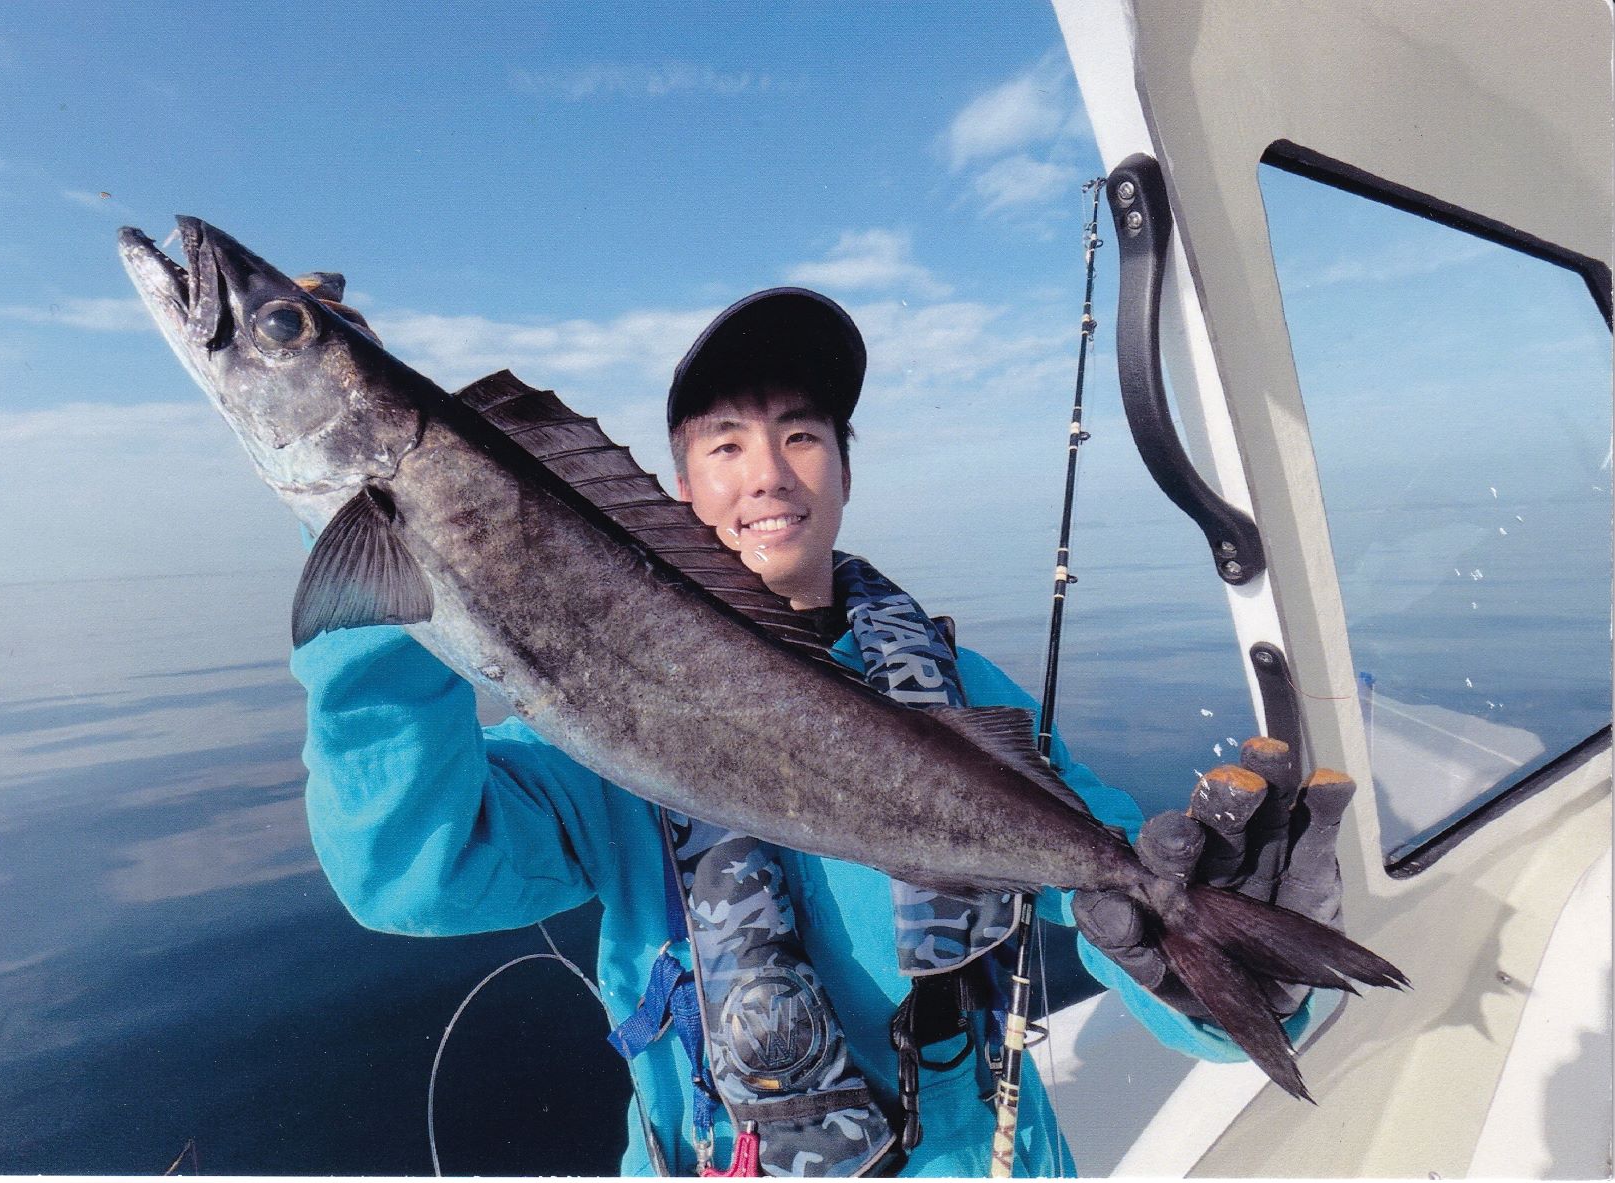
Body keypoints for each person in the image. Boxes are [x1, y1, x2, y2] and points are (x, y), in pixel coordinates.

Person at [293, 286, 1337, 1176]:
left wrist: (1218, 979)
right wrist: (379, 560)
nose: (768, 474)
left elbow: (1104, 894)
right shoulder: (598, 712)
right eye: (725, 443)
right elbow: (410, 875)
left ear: (843, 467)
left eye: (801, 435)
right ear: (677, 487)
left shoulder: (959, 688)